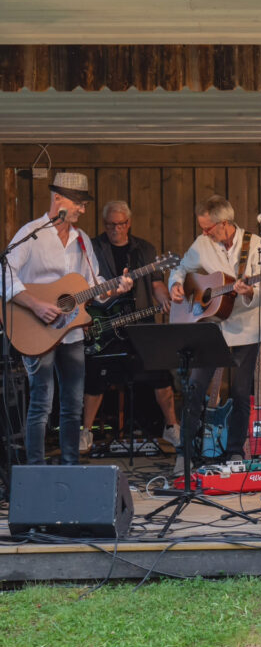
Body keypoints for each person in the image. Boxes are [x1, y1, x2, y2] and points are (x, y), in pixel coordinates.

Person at [2, 172, 132, 465]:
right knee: (41, 404)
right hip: (36, 330)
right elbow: (5, 275)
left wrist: (115, 288)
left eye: (84, 204)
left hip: (72, 333)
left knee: (73, 405)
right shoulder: (30, 233)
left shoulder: (82, 240)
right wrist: (36, 305)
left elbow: (94, 287)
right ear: (58, 199)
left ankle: (70, 466)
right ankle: (35, 470)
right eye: (79, 203)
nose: (83, 210)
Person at [169, 195, 261, 471]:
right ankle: (185, 454)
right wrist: (176, 285)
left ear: (224, 223)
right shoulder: (203, 243)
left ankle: (236, 452)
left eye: (208, 228)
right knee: (194, 387)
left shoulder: (256, 245)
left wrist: (251, 290)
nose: (204, 233)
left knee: (241, 392)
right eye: (202, 228)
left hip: (246, 327)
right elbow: (181, 269)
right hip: (212, 325)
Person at [80, 200, 180, 453]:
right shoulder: (93, 247)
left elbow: (157, 283)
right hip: (104, 323)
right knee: (95, 377)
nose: (116, 229)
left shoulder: (145, 250)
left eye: (121, 224)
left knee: (161, 374)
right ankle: (86, 432)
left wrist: (165, 300)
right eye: (110, 225)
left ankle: (172, 427)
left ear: (129, 223)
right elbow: (83, 286)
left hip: (140, 322)